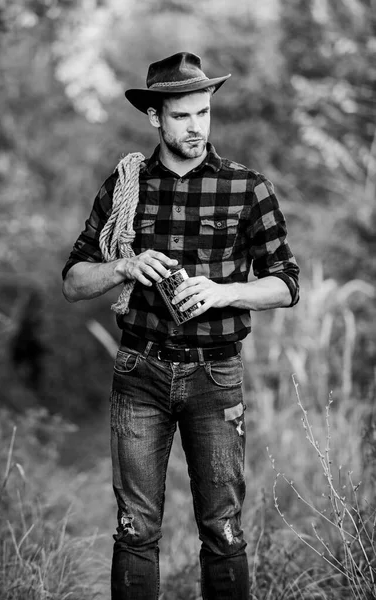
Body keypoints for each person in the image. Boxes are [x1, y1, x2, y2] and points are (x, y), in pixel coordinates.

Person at [62, 52, 299, 600]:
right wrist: (123, 265)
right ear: (155, 118)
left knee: (223, 531)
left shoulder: (247, 188)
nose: (197, 127)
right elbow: (73, 281)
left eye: (204, 113)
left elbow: (287, 282)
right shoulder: (127, 185)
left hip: (216, 379)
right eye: (183, 116)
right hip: (138, 373)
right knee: (135, 531)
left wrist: (226, 291)